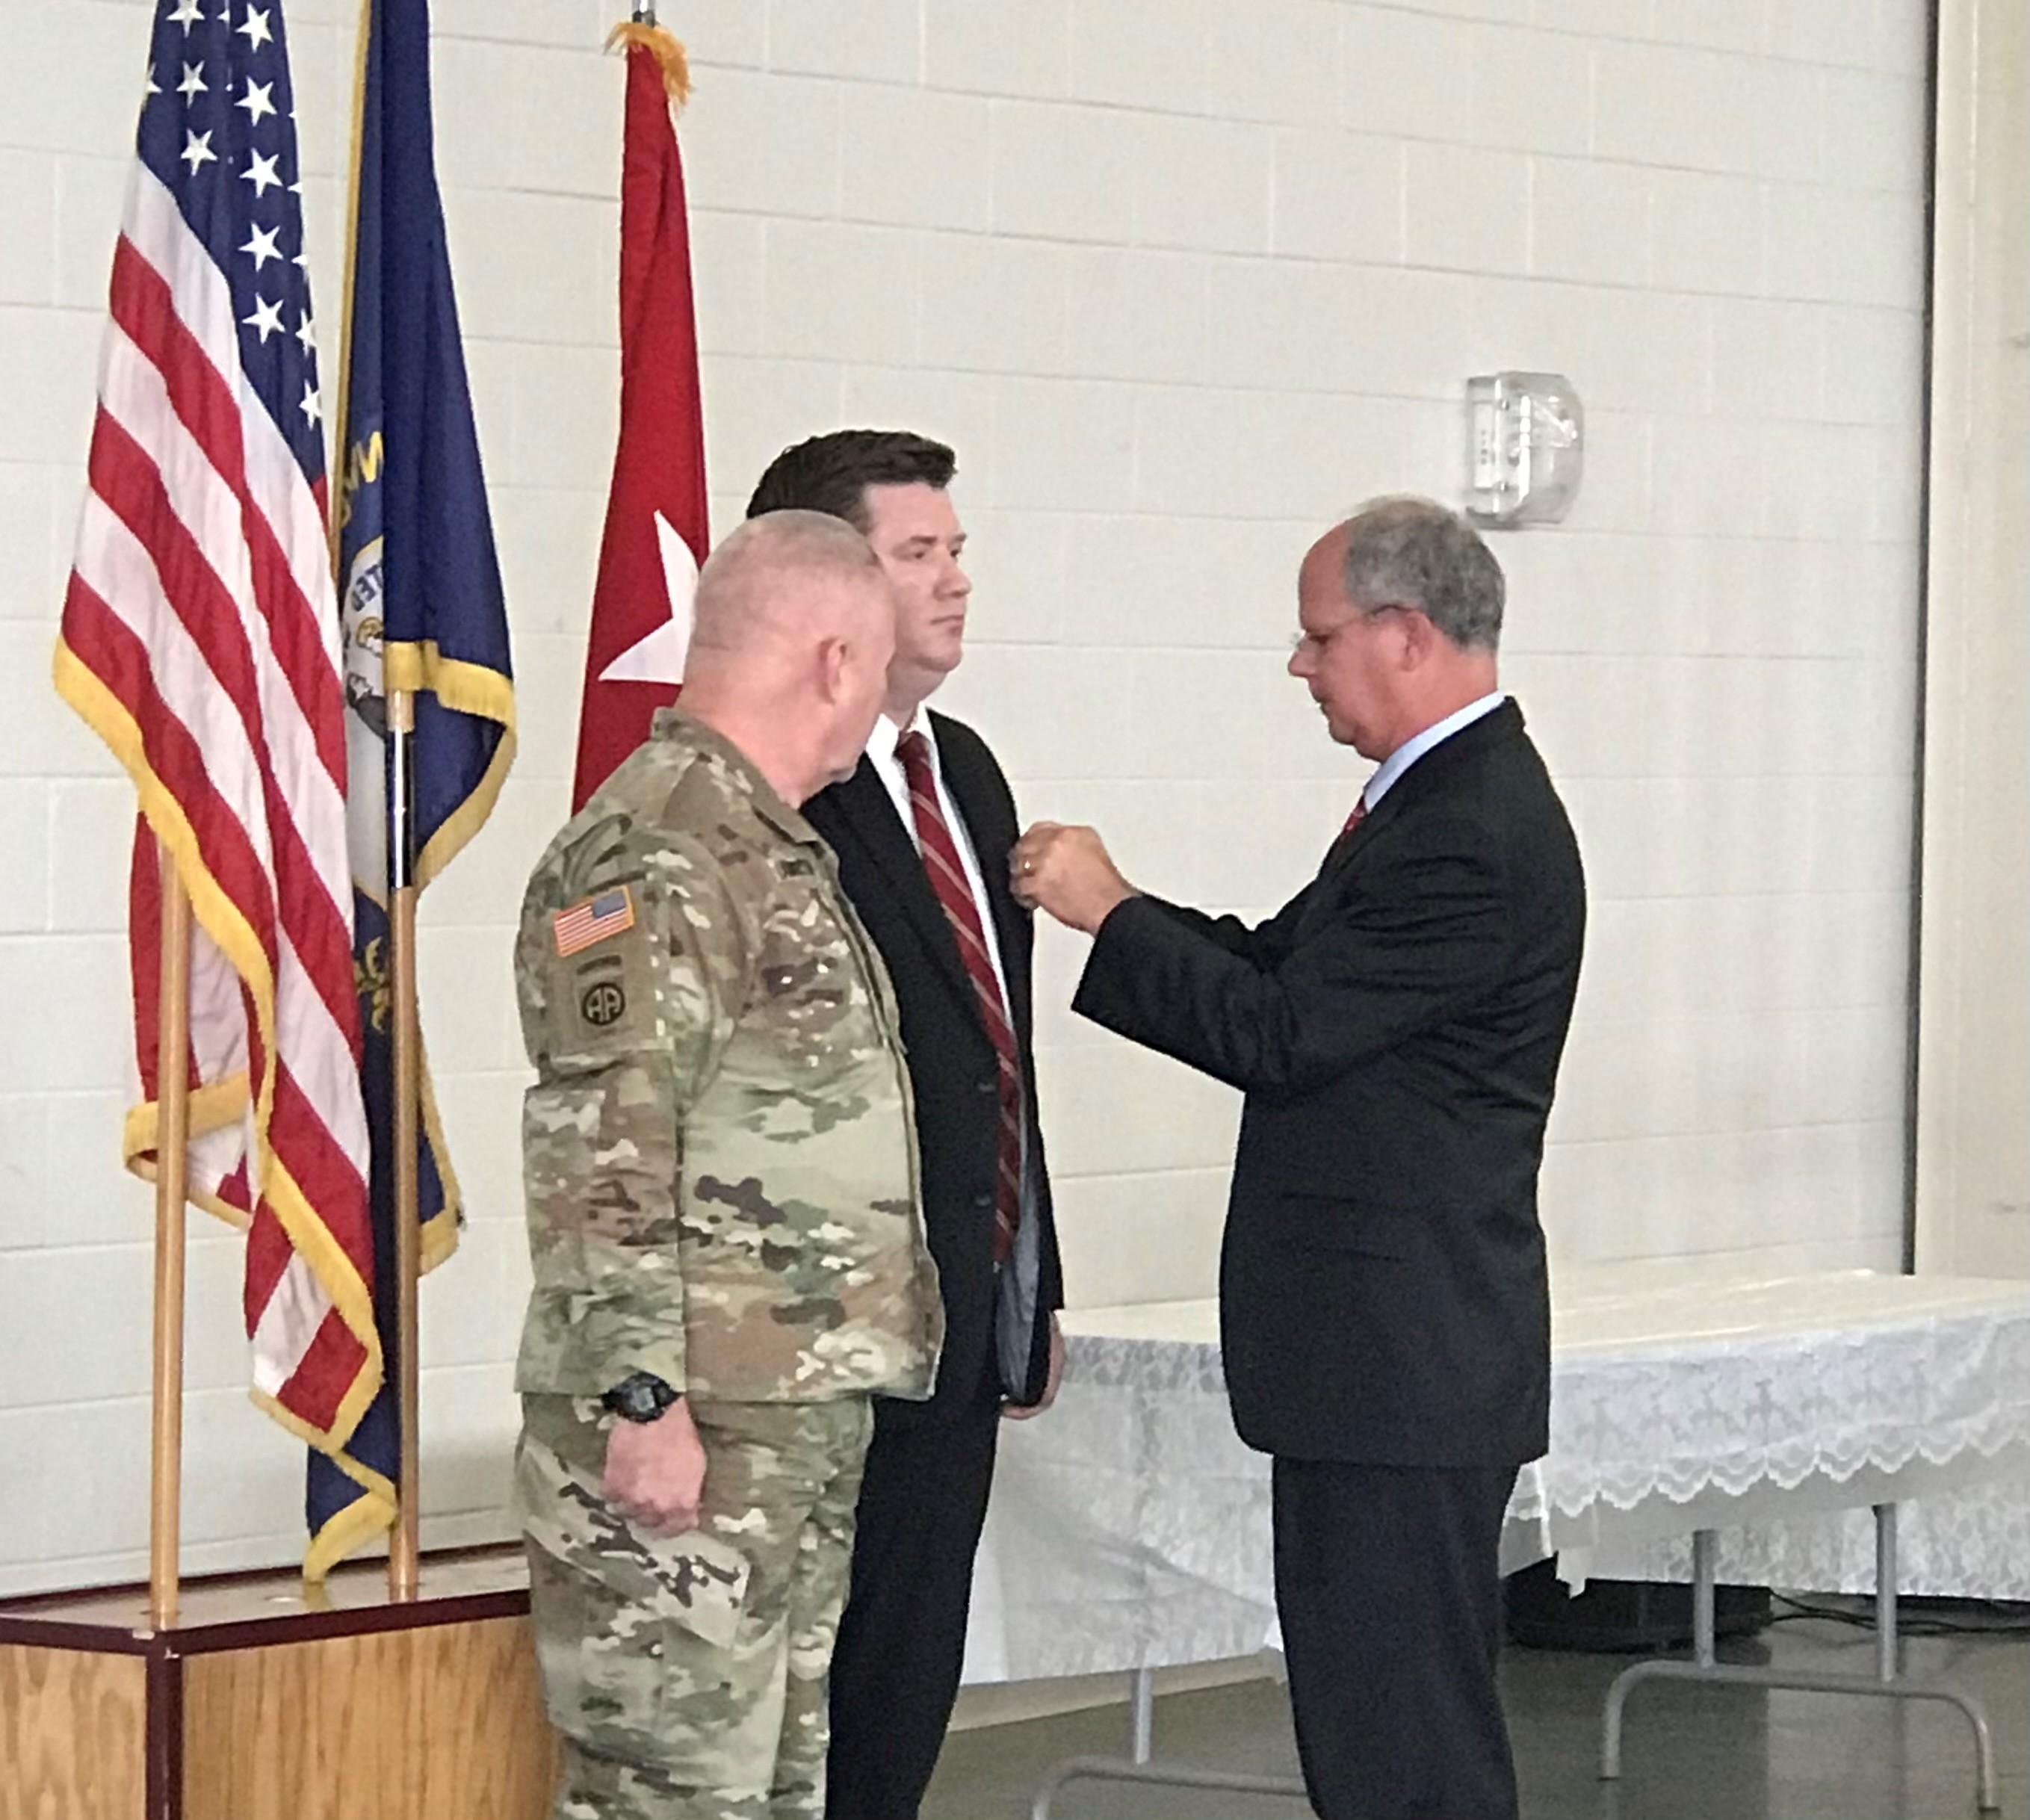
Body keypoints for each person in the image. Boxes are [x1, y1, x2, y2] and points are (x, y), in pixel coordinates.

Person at [1012, 496, 1586, 1820]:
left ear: (1400, 634)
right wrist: (1134, 917)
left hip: (1405, 1357)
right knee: (1368, 1721)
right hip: (1379, 1362)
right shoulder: (1431, 799)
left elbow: (1282, 1033)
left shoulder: (1470, 826)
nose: (1298, 666)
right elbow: (1280, 965)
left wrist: (1109, 913)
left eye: (1316, 638)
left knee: (1402, 1741)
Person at [513, 510, 945, 1820]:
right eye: (872, 672)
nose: (872, 704)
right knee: (668, 1794)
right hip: (691, 1426)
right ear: (830, 662)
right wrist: (642, 1400)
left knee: (773, 1792)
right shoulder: (653, 854)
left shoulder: (766, 843)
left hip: (783, 1424)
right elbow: (603, 1143)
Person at [745, 431, 1065, 1820]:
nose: (955, 582)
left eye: (957, 551)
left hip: (960, 1295)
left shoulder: (964, 772)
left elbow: (994, 1057)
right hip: (820, 1323)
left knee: (908, 1655)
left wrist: (1027, 1270)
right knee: (809, 1676)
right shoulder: (777, 790)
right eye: (916, 555)